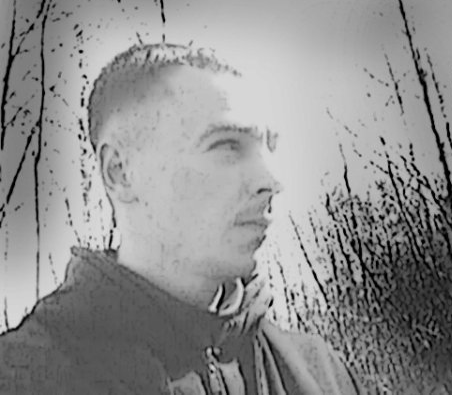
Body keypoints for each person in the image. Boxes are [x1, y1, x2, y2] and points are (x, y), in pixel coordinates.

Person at [0, 43, 363, 394]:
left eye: (268, 148)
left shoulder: (321, 374)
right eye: (227, 145)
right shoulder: (24, 376)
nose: (270, 181)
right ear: (120, 172)